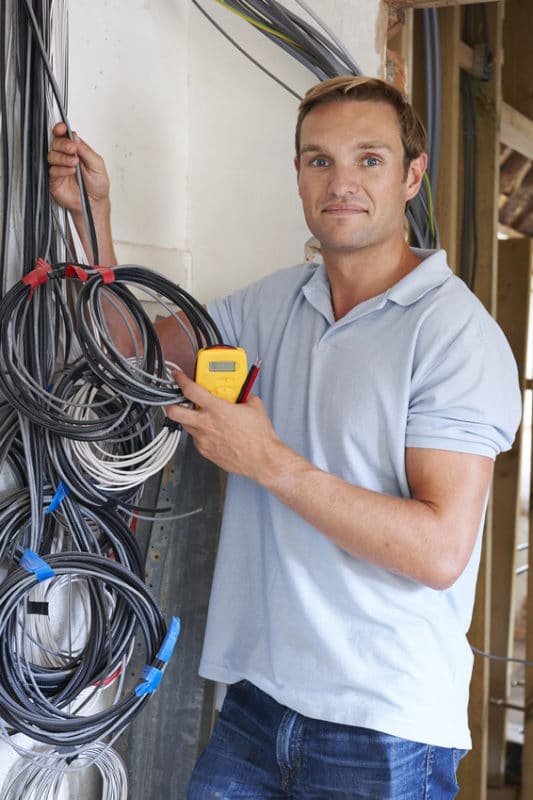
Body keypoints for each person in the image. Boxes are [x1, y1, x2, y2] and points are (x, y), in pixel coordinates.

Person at [48, 75, 521, 800]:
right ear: (297, 175)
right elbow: (132, 353)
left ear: (410, 177)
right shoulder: (276, 301)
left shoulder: (453, 337)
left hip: (382, 727)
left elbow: (437, 551)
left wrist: (268, 462)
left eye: (368, 159)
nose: (341, 182)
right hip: (258, 704)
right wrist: (93, 219)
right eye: (317, 160)